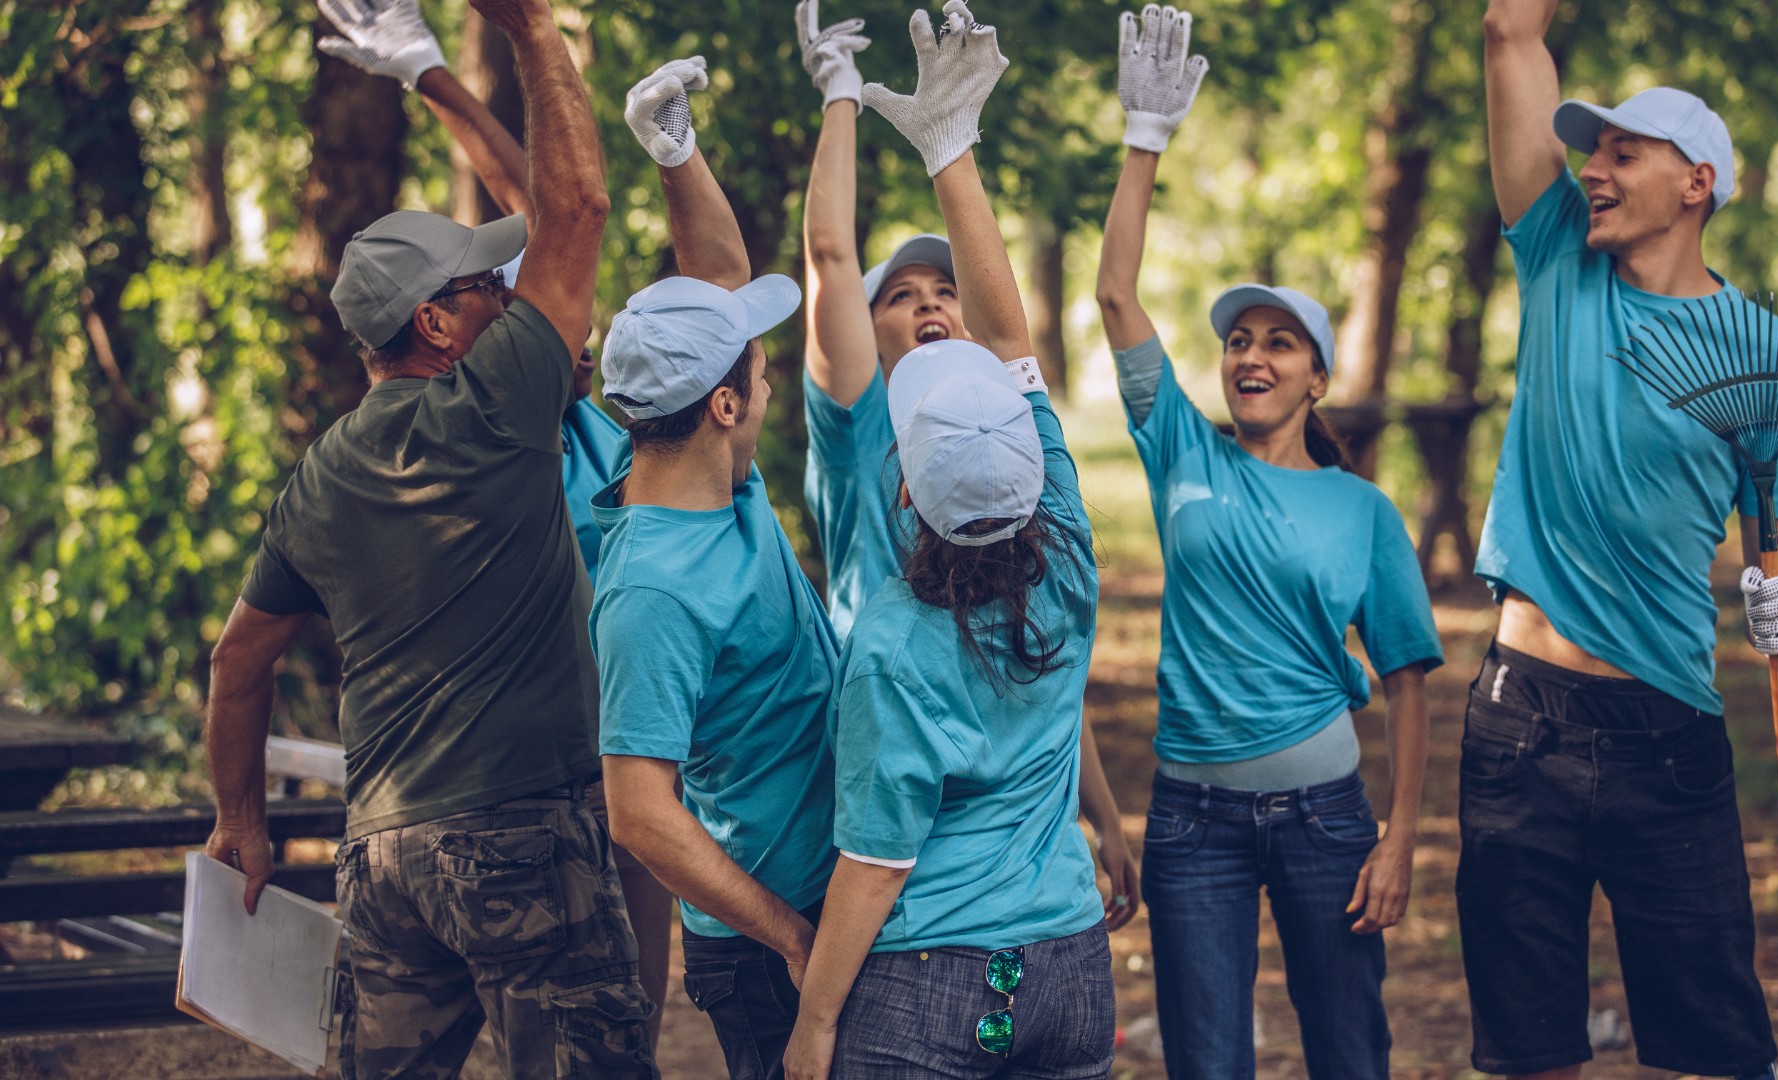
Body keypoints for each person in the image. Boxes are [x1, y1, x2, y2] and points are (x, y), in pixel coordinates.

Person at [200, 0, 657, 1075]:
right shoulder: (494, 408)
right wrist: (535, 35)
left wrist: (243, 825)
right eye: (484, 287)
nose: (510, 296)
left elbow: (239, 660)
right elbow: (577, 207)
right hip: (523, 843)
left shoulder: (317, 478)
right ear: (436, 324)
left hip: (386, 855)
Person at [1091, 8, 1442, 1079]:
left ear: (1315, 377)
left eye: (1278, 342)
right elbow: (1114, 294)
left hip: (1328, 817)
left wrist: (1399, 835)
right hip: (1192, 820)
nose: (1252, 354)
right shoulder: (1180, 452)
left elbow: (1412, 681)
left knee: (1349, 1051)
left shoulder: (1364, 512)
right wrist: (1144, 142)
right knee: (1207, 1061)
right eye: (1239, 339)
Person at [1467, 1, 1778, 1077]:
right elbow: (1506, 37)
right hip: (1519, 718)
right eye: (1592, 152)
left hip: (1669, 726)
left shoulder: (1768, 355)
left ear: (1696, 182)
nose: (1596, 171)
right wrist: (1517, 24)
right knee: (1530, 1050)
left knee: (1711, 1045)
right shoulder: (1558, 258)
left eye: (1625, 152)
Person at [782, 6, 1115, 1077]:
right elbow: (835, 259)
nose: (930, 306)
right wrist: (941, 145)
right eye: (904, 297)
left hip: (920, 923)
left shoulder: (898, 635)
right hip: (1048, 932)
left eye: (945, 294)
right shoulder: (1058, 540)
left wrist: (820, 1019)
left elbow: (876, 864)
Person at [588, 57, 838, 1080]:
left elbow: (723, 290)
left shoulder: (708, 472)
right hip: (769, 940)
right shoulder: (652, 590)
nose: (771, 377)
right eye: (761, 373)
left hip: (831, 895)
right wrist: (787, 932)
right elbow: (638, 810)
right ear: (725, 407)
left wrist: (675, 153)